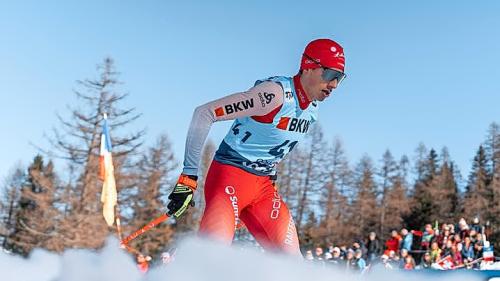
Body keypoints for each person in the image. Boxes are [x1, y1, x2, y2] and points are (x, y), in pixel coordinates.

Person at [165, 39, 346, 256]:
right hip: (229, 179)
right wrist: (189, 176)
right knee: (211, 258)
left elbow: (271, 144)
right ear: (308, 66)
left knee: (293, 264)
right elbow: (204, 113)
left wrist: (271, 174)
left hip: (263, 190)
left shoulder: (312, 109)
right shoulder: (273, 95)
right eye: (330, 75)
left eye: (340, 78)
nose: (334, 85)